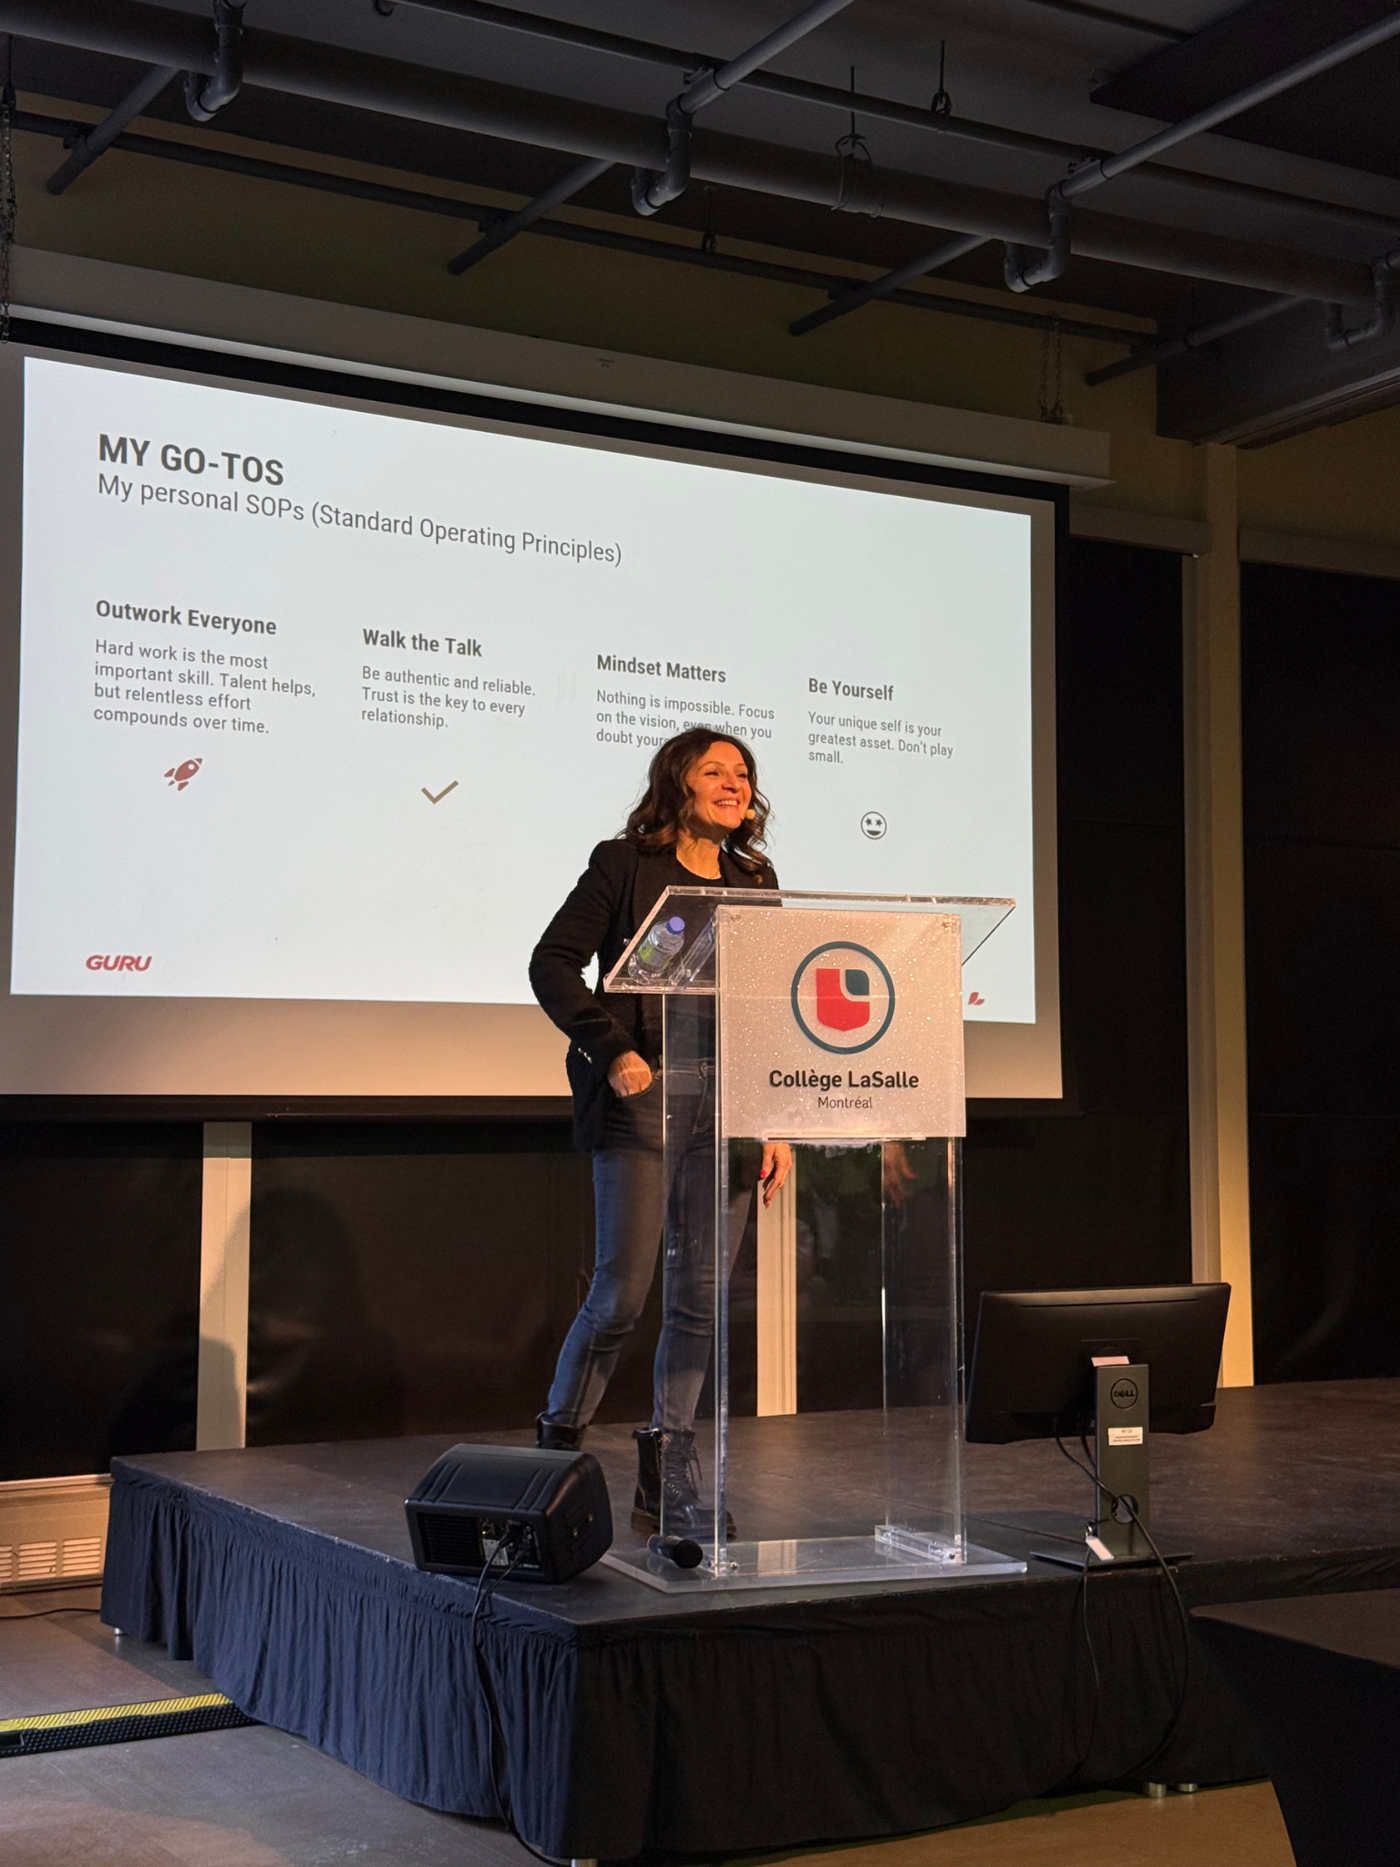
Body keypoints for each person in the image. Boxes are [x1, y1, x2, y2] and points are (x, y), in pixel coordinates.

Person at [529, 728, 792, 1533]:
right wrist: (613, 1048)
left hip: (730, 1102)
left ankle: (667, 1470)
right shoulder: (626, 864)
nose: (733, 783)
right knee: (621, 1294)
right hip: (645, 1097)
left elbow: (766, 1001)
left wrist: (774, 1111)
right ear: (677, 782)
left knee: (702, 1302)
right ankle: (554, 1458)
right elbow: (552, 963)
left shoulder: (756, 878)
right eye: (714, 770)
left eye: (742, 772)